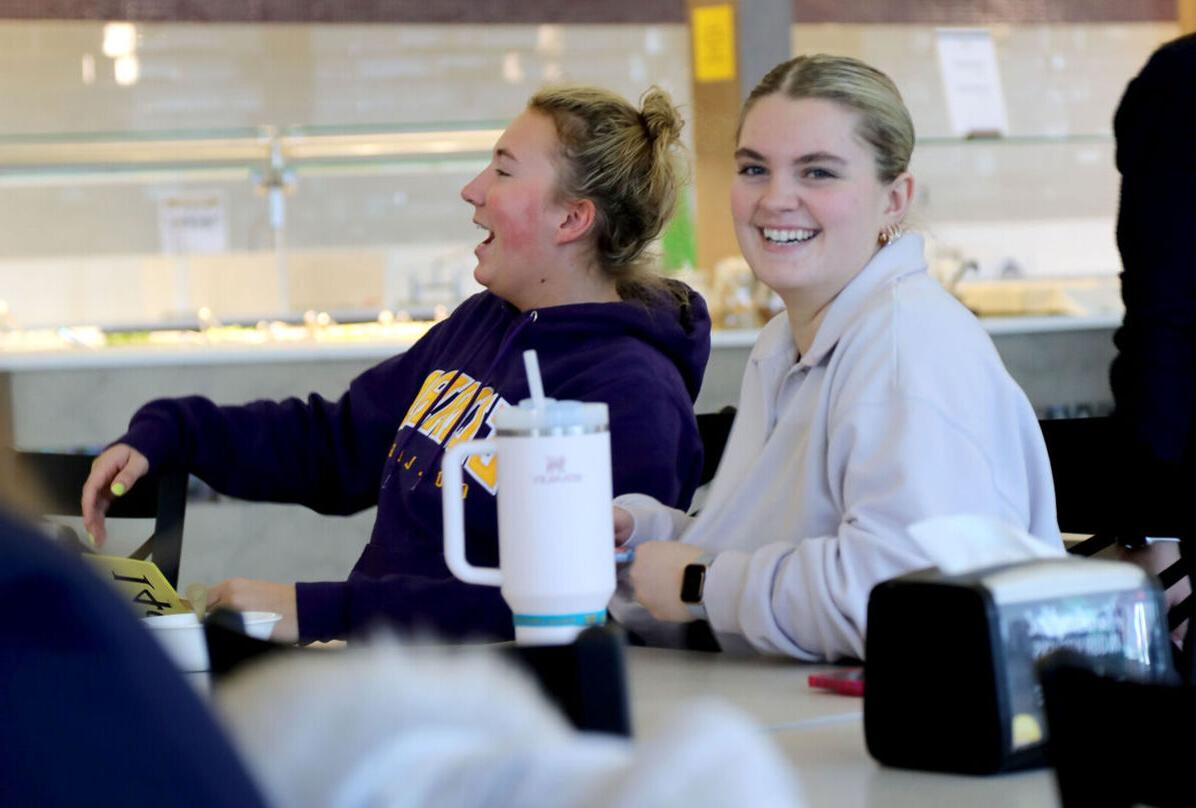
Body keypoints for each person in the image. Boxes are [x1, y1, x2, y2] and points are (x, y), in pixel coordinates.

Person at [81, 85, 710, 644]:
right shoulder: (485, 321)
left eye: (503, 170)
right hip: (378, 671)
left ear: (573, 218)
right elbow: (335, 444)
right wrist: (178, 433)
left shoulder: (636, 396)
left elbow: (568, 614)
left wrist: (316, 610)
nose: (472, 190)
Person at [612, 54, 1061, 661]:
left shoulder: (908, 349)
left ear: (894, 199)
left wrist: (698, 582)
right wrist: (648, 538)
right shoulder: (786, 340)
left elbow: (907, 600)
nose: (776, 199)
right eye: (753, 168)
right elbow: (773, 549)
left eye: (818, 172)